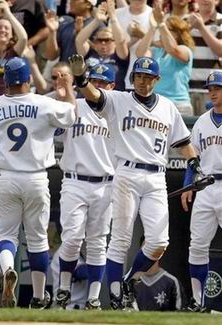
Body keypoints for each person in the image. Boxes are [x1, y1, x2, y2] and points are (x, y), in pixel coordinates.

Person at [68, 53, 206, 310]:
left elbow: (184, 144)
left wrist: (195, 165)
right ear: (132, 78)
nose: (142, 81)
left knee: (159, 241)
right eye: (138, 76)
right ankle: (116, 295)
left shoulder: (167, 106)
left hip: (156, 175)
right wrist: (80, 78)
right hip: (127, 173)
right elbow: (94, 96)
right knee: (120, 239)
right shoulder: (120, 99)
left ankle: (129, 279)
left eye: (148, 77)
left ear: (157, 79)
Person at [0, 56, 76, 309]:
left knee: (7, 235)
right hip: (36, 177)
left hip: (6, 176)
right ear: (29, 80)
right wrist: (67, 91)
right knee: (38, 239)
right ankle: (40, 296)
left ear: (5, 81)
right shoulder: (43, 103)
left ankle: (8, 268)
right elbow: (72, 116)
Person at [54, 63, 116, 310]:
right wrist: (66, 93)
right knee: (71, 239)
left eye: (103, 83)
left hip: (106, 184)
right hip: (75, 180)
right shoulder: (74, 104)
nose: (97, 86)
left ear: (112, 86)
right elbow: (56, 128)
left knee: (98, 242)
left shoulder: (118, 111)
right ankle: (64, 288)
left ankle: (93, 297)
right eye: (95, 81)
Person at [181, 71, 222, 312]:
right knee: (197, 245)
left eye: (218, 87)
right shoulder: (202, 121)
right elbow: (192, 157)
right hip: (205, 186)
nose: (213, 92)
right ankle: (198, 302)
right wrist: (188, 184)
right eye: (210, 88)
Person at [136, 3, 195, 116]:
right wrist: (153, 27)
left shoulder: (185, 50)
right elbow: (141, 54)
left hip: (178, 105)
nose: (162, 31)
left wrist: (161, 23)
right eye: (162, 28)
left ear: (178, 34)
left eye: (168, 29)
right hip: (155, 103)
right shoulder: (157, 51)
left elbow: (173, 49)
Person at [75, 0, 129, 90]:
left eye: (107, 40)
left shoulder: (119, 56)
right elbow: (79, 41)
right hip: (86, 95)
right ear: (95, 43)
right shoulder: (90, 53)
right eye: (99, 40)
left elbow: (121, 41)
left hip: (111, 98)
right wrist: (97, 20)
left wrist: (113, 17)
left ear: (114, 43)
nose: (103, 43)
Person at [187, 0, 222, 115]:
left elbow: (220, 50)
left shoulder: (221, 20)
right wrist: (187, 28)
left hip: (213, 89)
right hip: (186, 89)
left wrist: (201, 28)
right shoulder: (186, 19)